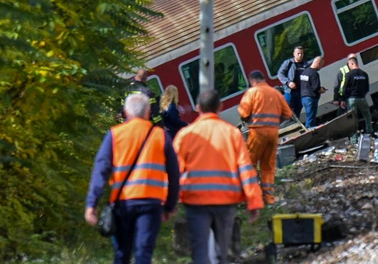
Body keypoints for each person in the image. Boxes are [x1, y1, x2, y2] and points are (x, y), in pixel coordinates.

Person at [85, 93, 180, 264]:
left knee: (122, 254)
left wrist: (92, 204)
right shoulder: (160, 135)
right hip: (151, 204)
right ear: (148, 111)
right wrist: (170, 206)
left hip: (123, 203)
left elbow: (101, 171)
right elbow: (174, 173)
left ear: (126, 112)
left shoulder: (115, 135)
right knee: (143, 252)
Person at [173, 89, 263, 264]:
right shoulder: (231, 133)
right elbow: (245, 169)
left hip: (195, 201)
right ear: (220, 107)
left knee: (200, 250)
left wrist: (170, 204)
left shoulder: (185, 135)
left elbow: (175, 172)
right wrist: (254, 202)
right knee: (223, 249)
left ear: (198, 108)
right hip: (226, 200)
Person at [238, 70, 293, 205]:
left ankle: (252, 197)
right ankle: (269, 198)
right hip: (273, 133)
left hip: (257, 133)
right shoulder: (274, 92)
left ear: (252, 80)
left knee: (249, 164)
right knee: (268, 166)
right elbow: (288, 113)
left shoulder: (251, 93)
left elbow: (243, 114)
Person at [341, 57, 373, 134]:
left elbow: (345, 88)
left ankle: (354, 139)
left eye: (349, 65)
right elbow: (367, 88)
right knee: (367, 116)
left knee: (353, 119)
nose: (349, 66)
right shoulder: (364, 74)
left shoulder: (348, 75)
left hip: (351, 99)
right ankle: (370, 132)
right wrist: (362, 95)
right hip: (362, 98)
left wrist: (343, 99)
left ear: (352, 63)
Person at [277, 46, 309, 119]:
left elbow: (308, 77)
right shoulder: (289, 63)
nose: (300, 55)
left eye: (301, 53)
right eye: (298, 53)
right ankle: (284, 126)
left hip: (301, 92)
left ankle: (295, 125)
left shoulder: (305, 64)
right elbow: (280, 74)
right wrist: (288, 82)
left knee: (297, 111)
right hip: (290, 92)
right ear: (294, 54)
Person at [300, 56, 326, 129]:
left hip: (304, 98)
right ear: (318, 63)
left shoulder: (304, 72)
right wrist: (322, 90)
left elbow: (307, 85)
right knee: (311, 119)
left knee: (309, 117)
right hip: (311, 98)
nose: (321, 67)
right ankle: (309, 132)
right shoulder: (314, 73)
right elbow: (315, 88)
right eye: (321, 65)